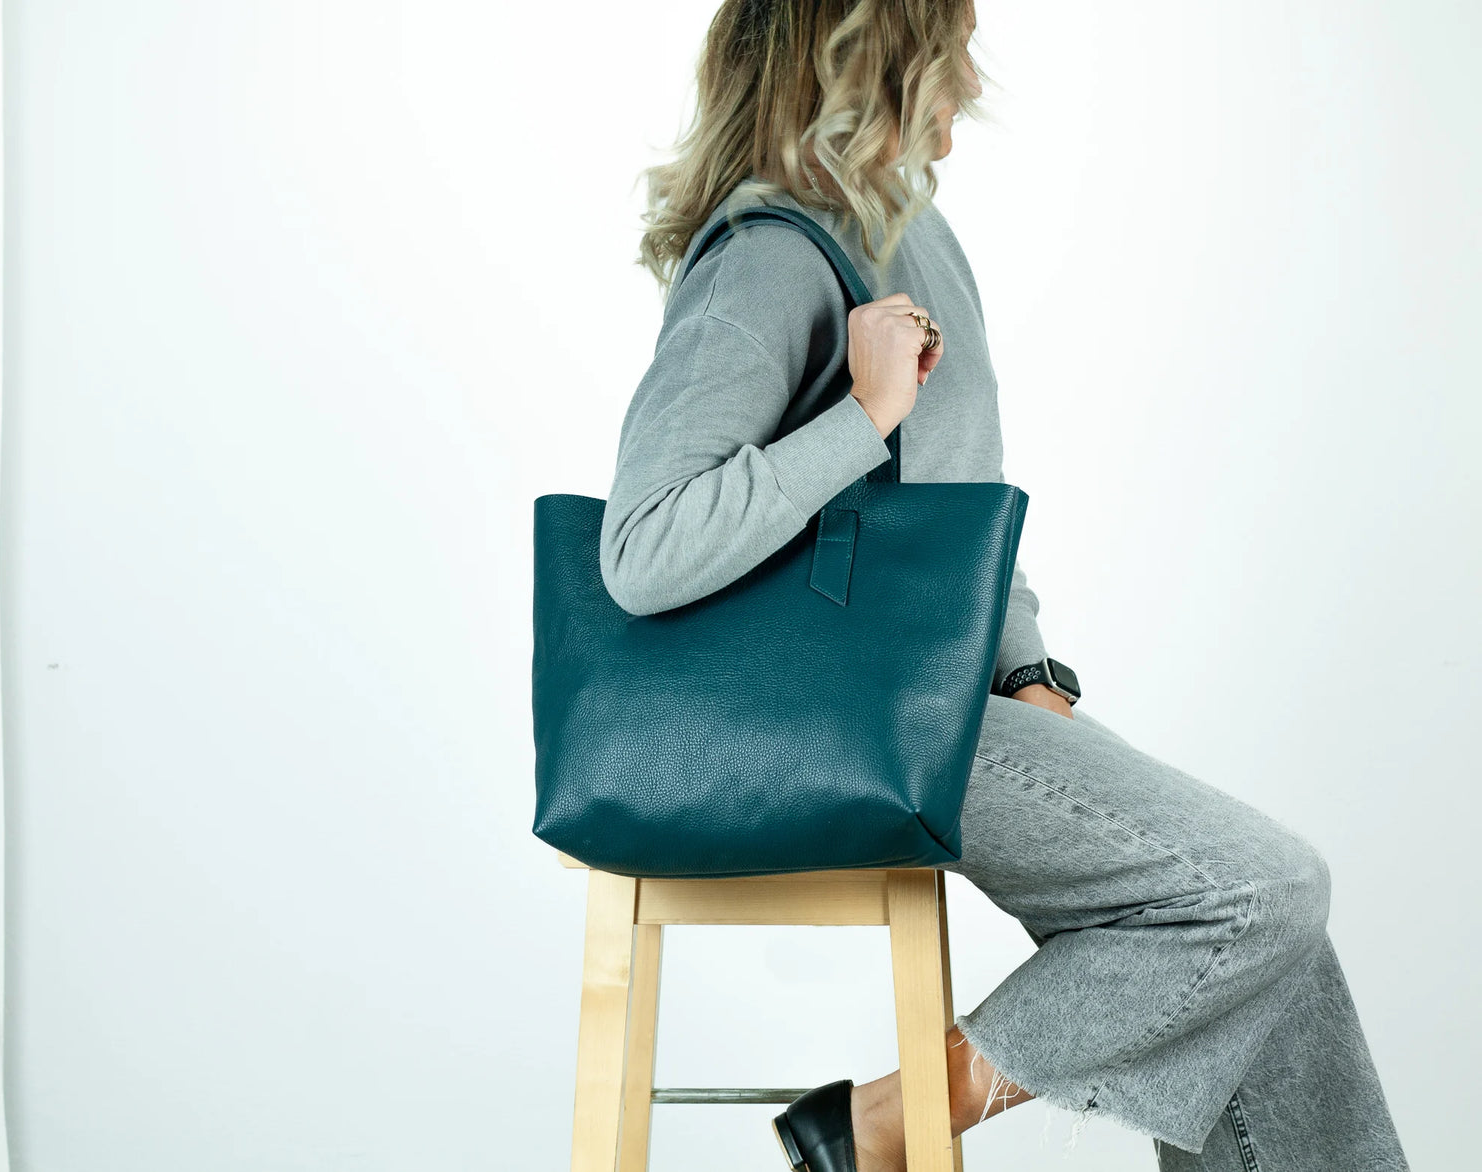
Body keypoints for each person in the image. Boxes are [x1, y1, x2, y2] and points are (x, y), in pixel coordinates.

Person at [599, 2, 1411, 1168]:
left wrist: (1026, 666)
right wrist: (864, 415)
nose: (974, 81)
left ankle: (878, 1121)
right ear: (876, 60)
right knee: (1262, 888)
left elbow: (956, 499)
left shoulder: (913, 235)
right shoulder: (764, 257)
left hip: (931, 698)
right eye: (955, 49)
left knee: (1273, 936)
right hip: (828, 721)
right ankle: (883, 1123)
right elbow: (643, 550)